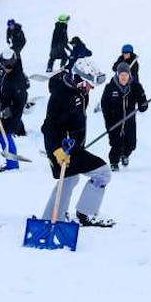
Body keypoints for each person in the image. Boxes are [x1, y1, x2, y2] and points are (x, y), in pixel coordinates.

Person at [41, 67, 116, 227]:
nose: (92, 88)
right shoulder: (61, 96)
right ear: (79, 80)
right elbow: (48, 127)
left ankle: (52, 217)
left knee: (69, 179)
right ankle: (85, 213)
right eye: (89, 84)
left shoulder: (77, 91)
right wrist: (57, 150)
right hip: (63, 150)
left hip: (71, 146)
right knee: (103, 173)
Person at [101, 62, 148, 170]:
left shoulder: (135, 86)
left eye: (125, 75)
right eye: (121, 75)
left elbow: (142, 100)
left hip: (129, 120)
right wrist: (108, 122)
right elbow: (104, 105)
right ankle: (114, 162)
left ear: (129, 75)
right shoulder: (110, 87)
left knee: (131, 144)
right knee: (116, 144)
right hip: (114, 121)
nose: (123, 77)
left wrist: (143, 105)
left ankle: (125, 155)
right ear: (117, 75)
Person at [0, 51, 30, 136]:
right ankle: (20, 132)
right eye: (4, 65)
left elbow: (19, 104)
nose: (6, 68)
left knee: (12, 122)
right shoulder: (6, 71)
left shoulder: (17, 79)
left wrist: (8, 110)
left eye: (8, 67)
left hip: (14, 106)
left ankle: (19, 135)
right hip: (6, 101)